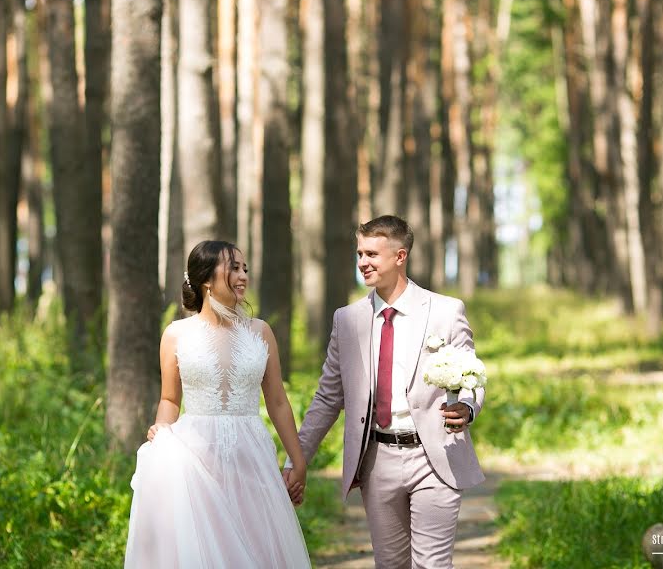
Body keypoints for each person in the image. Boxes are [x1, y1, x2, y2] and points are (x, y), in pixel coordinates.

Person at [285, 215, 485, 568]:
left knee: (433, 565)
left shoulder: (445, 311)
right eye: (360, 253)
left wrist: (467, 408)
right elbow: (328, 397)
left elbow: (470, 374)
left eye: (372, 254)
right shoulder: (347, 320)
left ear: (400, 256)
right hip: (377, 460)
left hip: (434, 456)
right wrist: (296, 459)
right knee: (390, 564)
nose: (363, 262)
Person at [125, 240, 311, 568]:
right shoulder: (176, 334)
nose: (242, 276)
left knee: (255, 545)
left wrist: (298, 461)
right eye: (233, 268)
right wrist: (161, 434)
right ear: (207, 278)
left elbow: (278, 401)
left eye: (244, 269)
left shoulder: (261, 332)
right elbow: (170, 398)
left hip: (250, 456)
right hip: (194, 458)